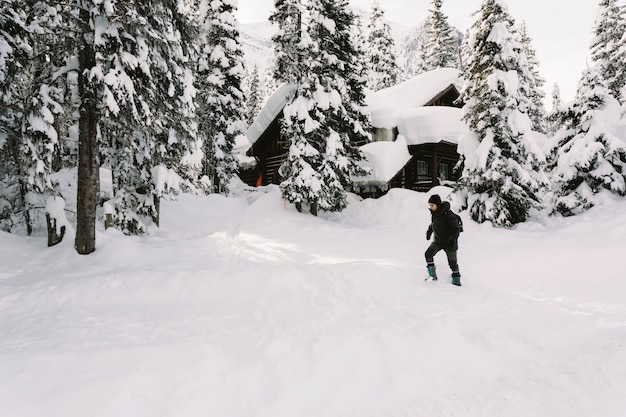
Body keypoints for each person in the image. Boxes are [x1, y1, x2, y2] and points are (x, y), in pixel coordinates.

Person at [425, 194, 461, 286]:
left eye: (432, 205)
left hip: (449, 243)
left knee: (452, 263)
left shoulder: (448, 214)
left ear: (438, 205)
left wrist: (452, 240)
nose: (431, 207)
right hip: (438, 241)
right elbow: (433, 224)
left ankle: (456, 282)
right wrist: (429, 231)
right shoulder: (434, 213)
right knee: (428, 254)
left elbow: (456, 229)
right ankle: (432, 276)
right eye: (430, 205)